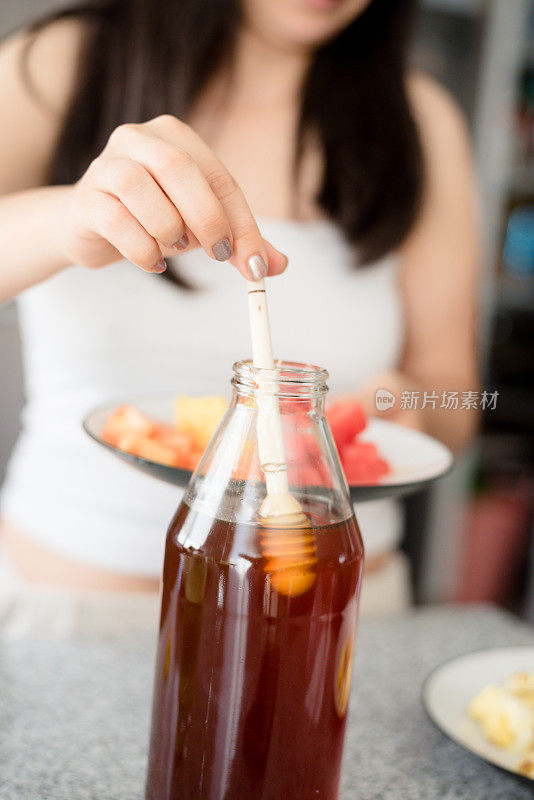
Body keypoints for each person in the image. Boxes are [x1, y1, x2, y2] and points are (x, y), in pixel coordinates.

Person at [0, 0, 479, 637]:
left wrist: (404, 408)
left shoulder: (423, 120)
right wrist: (67, 222)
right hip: (73, 623)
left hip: (332, 624)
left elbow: (457, 398)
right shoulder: (63, 60)